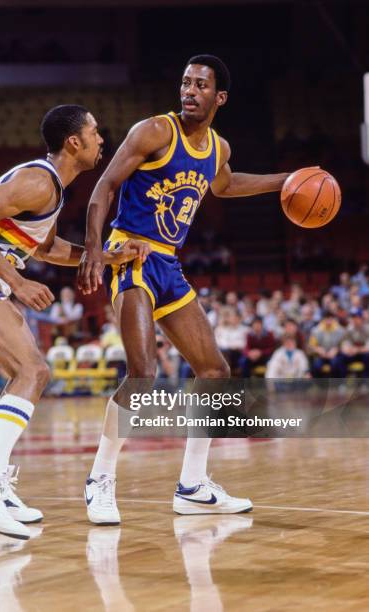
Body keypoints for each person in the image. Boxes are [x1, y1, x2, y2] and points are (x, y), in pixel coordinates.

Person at [79, 54, 300, 525]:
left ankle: (193, 485)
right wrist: (95, 247)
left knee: (215, 371)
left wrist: (286, 181)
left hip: (169, 264)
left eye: (201, 85)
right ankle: (99, 478)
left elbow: (224, 185)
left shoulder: (217, 148)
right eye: (185, 82)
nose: (190, 91)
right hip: (130, 254)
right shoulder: (154, 131)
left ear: (219, 97)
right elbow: (104, 187)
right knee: (143, 373)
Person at [0, 104, 150, 539]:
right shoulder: (36, 180)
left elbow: (47, 249)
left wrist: (105, 256)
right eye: (94, 132)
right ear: (74, 143)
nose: (101, 139)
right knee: (34, 370)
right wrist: (15, 278)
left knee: (23, 374)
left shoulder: (52, 190)